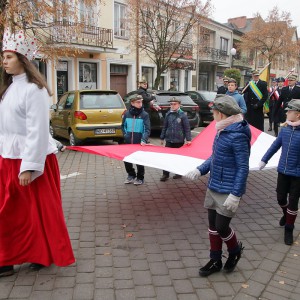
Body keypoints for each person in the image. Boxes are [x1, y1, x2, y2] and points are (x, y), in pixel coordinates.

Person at [0, 28, 75, 277]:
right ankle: (8, 257)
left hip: (31, 161)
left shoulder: (35, 90)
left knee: (37, 213)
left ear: (23, 59)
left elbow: (38, 131)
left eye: (8, 56)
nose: (4, 61)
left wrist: (29, 166)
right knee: (10, 211)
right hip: (9, 159)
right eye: (3, 57)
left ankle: (41, 254)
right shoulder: (9, 89)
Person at [185, 95, 251, 277]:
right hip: (214, 185)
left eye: (214, 112)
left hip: (229, 190)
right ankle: (215, 260)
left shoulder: (237, 135)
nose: (212, 114)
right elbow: (215, 157)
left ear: (221, 114)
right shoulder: (222, 130)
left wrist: (236, 194)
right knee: (213, 226)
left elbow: (243, 167)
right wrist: (200, 170)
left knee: (222, 227)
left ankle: (235, 251)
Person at [259, 99, 300, 245]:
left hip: (297, 175)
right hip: (283, 170)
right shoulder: (285, 130)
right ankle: (286, 214)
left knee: (293, 202)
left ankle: (289, 228)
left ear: (298, 114)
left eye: (290, 111)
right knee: (281, 198)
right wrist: (264, 160)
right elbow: (274, 146)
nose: (287, 113)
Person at [160, 97, 192, 182]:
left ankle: (178, 172)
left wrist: (188, 139)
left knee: (177, 157)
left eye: (175, 104)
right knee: (166, 157)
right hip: (169, 139)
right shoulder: (168, 114)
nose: (172, 106)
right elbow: (165, 126)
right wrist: (162, 137)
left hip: (179, 140)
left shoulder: (182, 115)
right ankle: (165, 174)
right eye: (171, 104)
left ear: (179, 105)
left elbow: (187, 128)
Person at [122, 95, 151, 185]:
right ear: (132, 103)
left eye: (141, 102)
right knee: (127, 160)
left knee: (139, 161)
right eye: (138, 102)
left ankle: (140, 177)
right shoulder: (127, 114)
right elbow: (123, 126)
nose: (140, 104)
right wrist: (126, 135)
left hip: (139, 142)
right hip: (128, 142)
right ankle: (131, 175)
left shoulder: (144, 115)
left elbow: (147, 129)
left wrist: (144, 139)